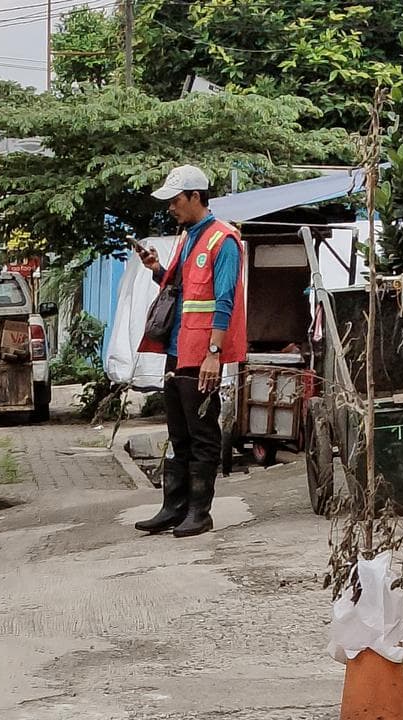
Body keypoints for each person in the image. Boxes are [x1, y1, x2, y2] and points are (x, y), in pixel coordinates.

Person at [134, 165, 247, 538]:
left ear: (196, 197)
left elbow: (225, 301)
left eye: (175, 200)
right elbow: (185, 292)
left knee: (202, 433)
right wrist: (157, 270)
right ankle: (174, 507)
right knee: (179, 433)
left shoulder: (223, 240)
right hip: (177, 350)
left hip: (201, 355)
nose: (170, 207)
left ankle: (199, 512)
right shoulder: (188, 237)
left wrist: (214, 353)